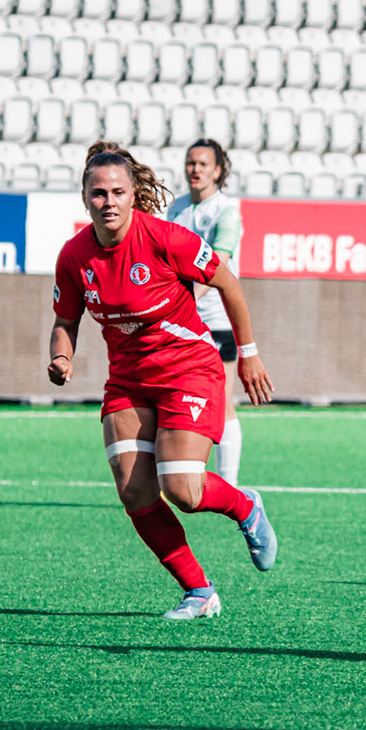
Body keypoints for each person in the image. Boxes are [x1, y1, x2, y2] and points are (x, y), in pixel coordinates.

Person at [48, 143, 279, 620]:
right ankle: (199, 591)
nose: (107, 201)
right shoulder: (73, 256)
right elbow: (65, 321)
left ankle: (245, 507)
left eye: (117, 192)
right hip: (128, 383)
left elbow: (228, 282)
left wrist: (249, 355)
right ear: (84, 198)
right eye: (98, 193)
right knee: (134, 491)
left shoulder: (165, 238)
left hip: (188, 370)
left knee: (183, 491)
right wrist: (60, 356)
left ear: (134, 194)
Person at [166, 139, 247, 485]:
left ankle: (229, 484)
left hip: (216, 320)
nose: (195, 169)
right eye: (190, 163)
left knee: (222, 403)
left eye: (202, 164)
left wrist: (186, 297)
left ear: (217, 171)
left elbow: (219, 262)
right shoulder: (176, 209)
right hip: (181, 321)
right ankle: (171, 475)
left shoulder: (226, 211)